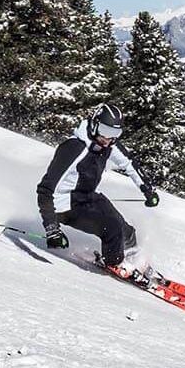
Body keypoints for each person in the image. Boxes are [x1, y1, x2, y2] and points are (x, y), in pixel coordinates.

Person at [37, 104, 158, 277]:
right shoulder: (74, 148)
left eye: (115, 134)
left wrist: (147, 189)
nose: (108, 139)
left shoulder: (108, 145)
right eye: (105, 131)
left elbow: (128, 163)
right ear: (94, 125)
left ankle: (134, 260)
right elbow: (45, 190)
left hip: (87, 197)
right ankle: (117, 263)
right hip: (64, 206)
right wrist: (52, 229)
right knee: (112, 227)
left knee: (126, 231)